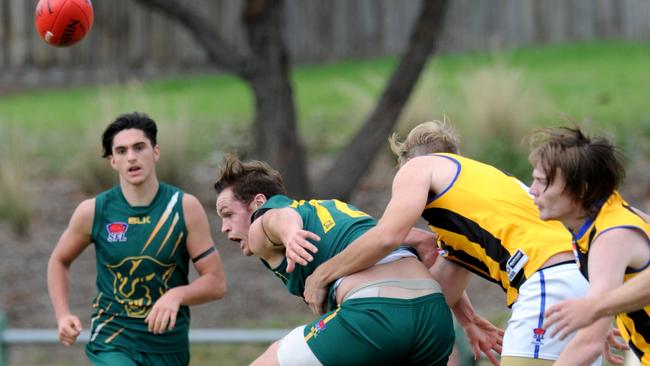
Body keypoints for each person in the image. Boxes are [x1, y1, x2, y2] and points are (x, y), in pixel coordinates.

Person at [298, 120, 608, 366]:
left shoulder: (417, 167)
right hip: (581, 281)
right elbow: (436, 290)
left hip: (547, 282)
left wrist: (321, 275)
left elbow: (387, 235)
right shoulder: (484, 189)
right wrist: (469, 320)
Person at [214, 155, 490, 365]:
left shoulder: (267, 222)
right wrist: (468, 318)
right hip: (435, 320)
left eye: (227, 213)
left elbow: (275, 220)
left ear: (259, 202)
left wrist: (291, 235)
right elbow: (428, 243)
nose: (224, 227)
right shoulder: (338, 211)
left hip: (374, 315)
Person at [47, 112, 227, 365]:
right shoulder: (94, 211)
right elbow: (59, 260)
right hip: (113, 339)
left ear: (155, 151)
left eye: (139, 147)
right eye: (121, 151)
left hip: (168, 345)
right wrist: (62, 315)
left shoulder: (184, 207)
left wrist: (176, 296)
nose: (131, 157)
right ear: (112, 161)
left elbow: (216, 283)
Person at [528, 126, 650, 365]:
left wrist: (595, 316)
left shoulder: (611, 238)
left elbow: (587, 344)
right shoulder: (607, 216)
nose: (532, 190)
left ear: (581, 189)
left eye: (542, 182)